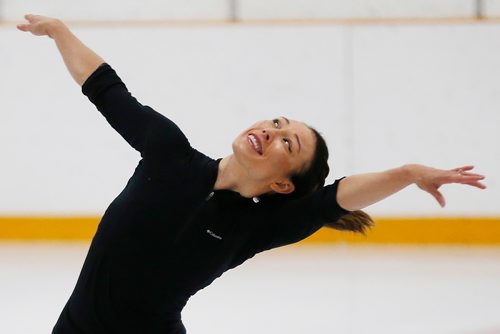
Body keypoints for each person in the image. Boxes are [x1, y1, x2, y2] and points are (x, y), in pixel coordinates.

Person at [17, 14, 486, 334]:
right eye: (277, 122)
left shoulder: (256, 226)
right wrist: (60, 31)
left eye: (288, 142)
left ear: (283, 184)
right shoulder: (169, 153)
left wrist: (406, 173)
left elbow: (335, 198)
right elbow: (106, 88)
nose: (271, 130)